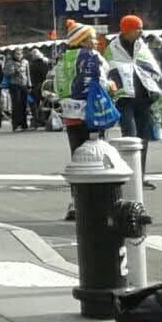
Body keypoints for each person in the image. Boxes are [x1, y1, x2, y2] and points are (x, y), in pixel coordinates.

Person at [55, 22, 111, 220]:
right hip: (92, 114)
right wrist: (111, 86)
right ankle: (97, 202)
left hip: (71, 117)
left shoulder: (63, 60)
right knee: (97, 156)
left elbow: (56, 85)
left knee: (78, 157)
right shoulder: (93, 58)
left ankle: (76, 202)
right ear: (82, 40)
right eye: (92, 38)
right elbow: (103, 81)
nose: (95, 42)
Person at [109, 14, 162, 184]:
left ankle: (140, 177)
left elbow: (152, 67)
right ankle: (129, 175)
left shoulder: (142, 46)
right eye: (138, 28)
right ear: (127, 30)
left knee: (143, 138)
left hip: (144, 98)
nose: (141, 31)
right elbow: (108, 69)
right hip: (125, 99)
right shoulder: (112, 47)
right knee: (130, 136)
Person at [8, 52, 31, 132]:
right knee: (16, 104)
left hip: (24, 85)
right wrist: (14, 71)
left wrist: (29, 85)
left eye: (20, 54)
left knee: (24, 105)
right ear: (13, 55)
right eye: (17, 54)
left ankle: (24, 124)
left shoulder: (25, 62)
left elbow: (28, 74)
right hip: (14, 85)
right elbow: (7, 73)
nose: (19, 55)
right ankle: (15, 124)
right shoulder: (10, 62)